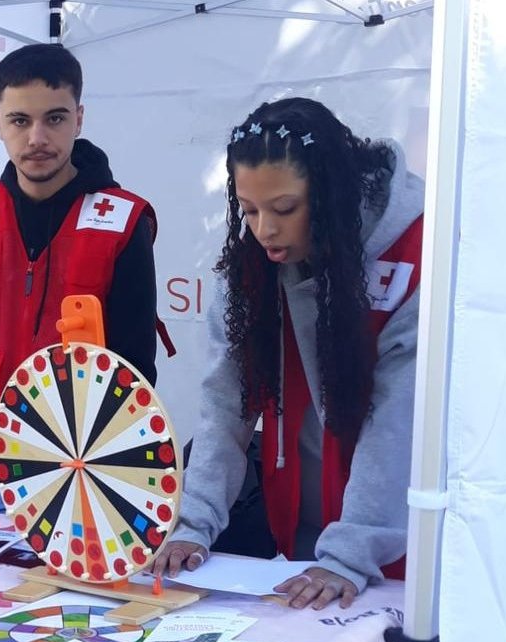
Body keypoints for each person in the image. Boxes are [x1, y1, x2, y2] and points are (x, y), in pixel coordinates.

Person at [150, 98, 425, 610]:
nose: (264, 230)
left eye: (284, 209)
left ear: (330, 193)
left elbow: (397, 418)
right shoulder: (249, 266)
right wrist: (193, 523)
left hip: (402, 543)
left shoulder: (414, 249)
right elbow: (224, 403)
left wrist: (349, 553)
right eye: (249, 210)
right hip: (305, 534)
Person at [0, 44, 165, 512]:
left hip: (89, 467)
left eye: (55, 119)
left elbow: (136, 362)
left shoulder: (123, 218)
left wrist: (121, 468)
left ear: (79, 119)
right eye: (20, 120)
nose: (37, 137)